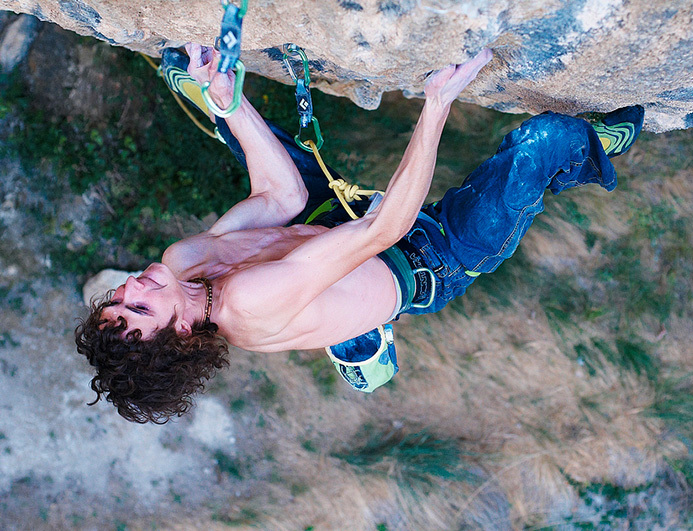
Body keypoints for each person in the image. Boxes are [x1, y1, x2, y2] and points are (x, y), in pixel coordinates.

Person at [76, 44, 644, 424]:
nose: (132, 286)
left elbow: (281, 198)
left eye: (118, 300)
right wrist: (436, 104)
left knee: (248, 136)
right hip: (428, 257)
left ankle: (209, 92)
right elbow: (387, 227)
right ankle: (588, 148)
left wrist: (231, 101)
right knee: (541, 146)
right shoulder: (246, 302)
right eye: (140, 310)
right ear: (179, 329)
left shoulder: (181, 263)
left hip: (327, 227)